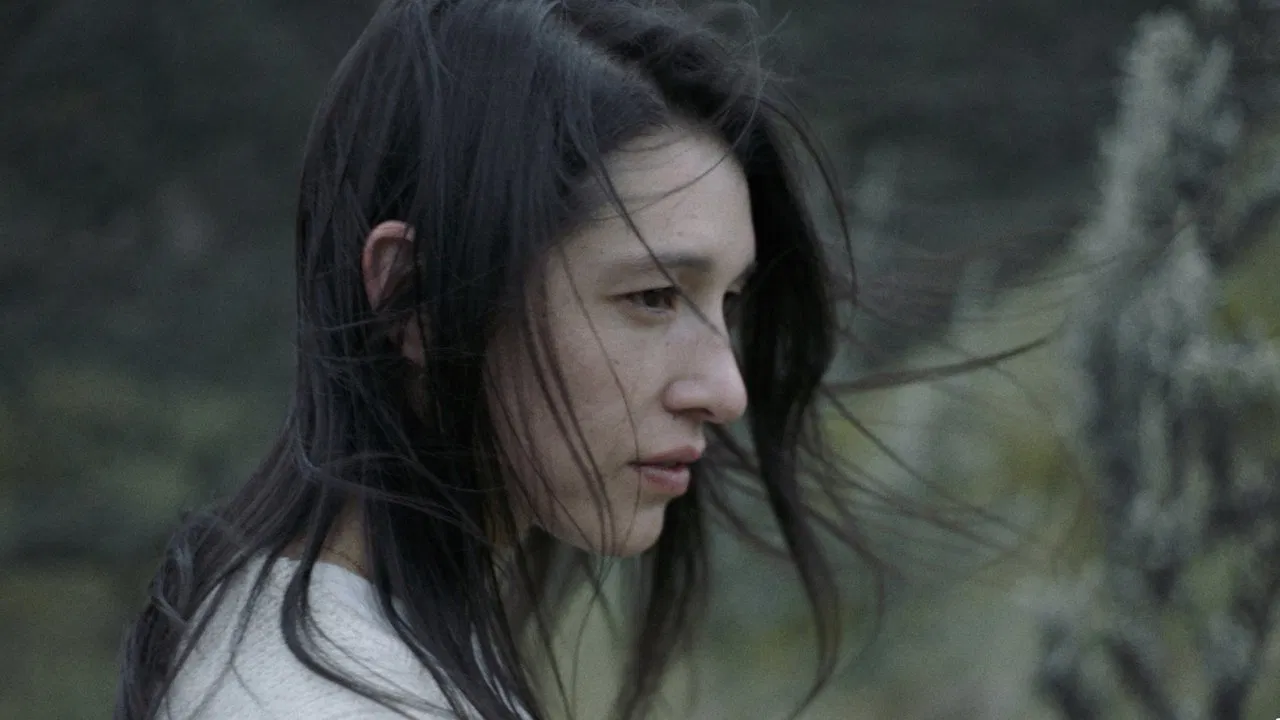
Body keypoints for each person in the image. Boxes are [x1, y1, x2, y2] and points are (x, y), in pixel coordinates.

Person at [113, 0, 963, 718]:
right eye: (652, 297)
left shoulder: (326, 642)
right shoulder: (319, 698)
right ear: (413, 295)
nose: (725, 390)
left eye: (728, 303)